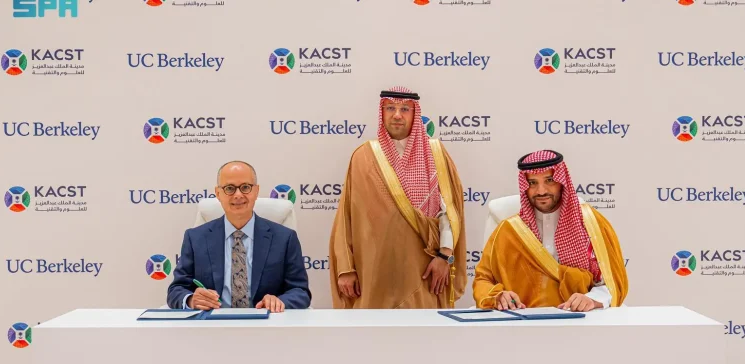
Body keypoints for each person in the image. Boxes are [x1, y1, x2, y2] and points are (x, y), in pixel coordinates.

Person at [329, 86, 467, 308]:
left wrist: (445, 257)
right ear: (381, 112)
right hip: (373, 273)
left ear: (415, 113)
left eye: (405, 109)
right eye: (390, 108)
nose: (397, 115)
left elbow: (449, 213)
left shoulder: (436, 153)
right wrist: (346, 268)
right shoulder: (363, 156)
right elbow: (346, 218)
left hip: (424, 271)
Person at [473, 150, 628, 312]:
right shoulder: (508, 230)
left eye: (549, 180)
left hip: (578, 319)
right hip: (522, 319)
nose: (541, 191)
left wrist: (592, 299)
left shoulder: (591, 224)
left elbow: (613, 282)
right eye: (532, 183)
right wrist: (498, 296)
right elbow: (483, 279)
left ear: (562, 182)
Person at [167, 161, 311, 312]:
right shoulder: (195, 238)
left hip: (265, 321)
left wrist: (279, 301)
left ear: (256, 191)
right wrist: (191, 300)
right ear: (218, 193)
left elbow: (300, 291)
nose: (238, 195)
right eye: (229, 188)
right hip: (213, 322)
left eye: (245, 187)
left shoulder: (285, 238)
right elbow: (176, 289)